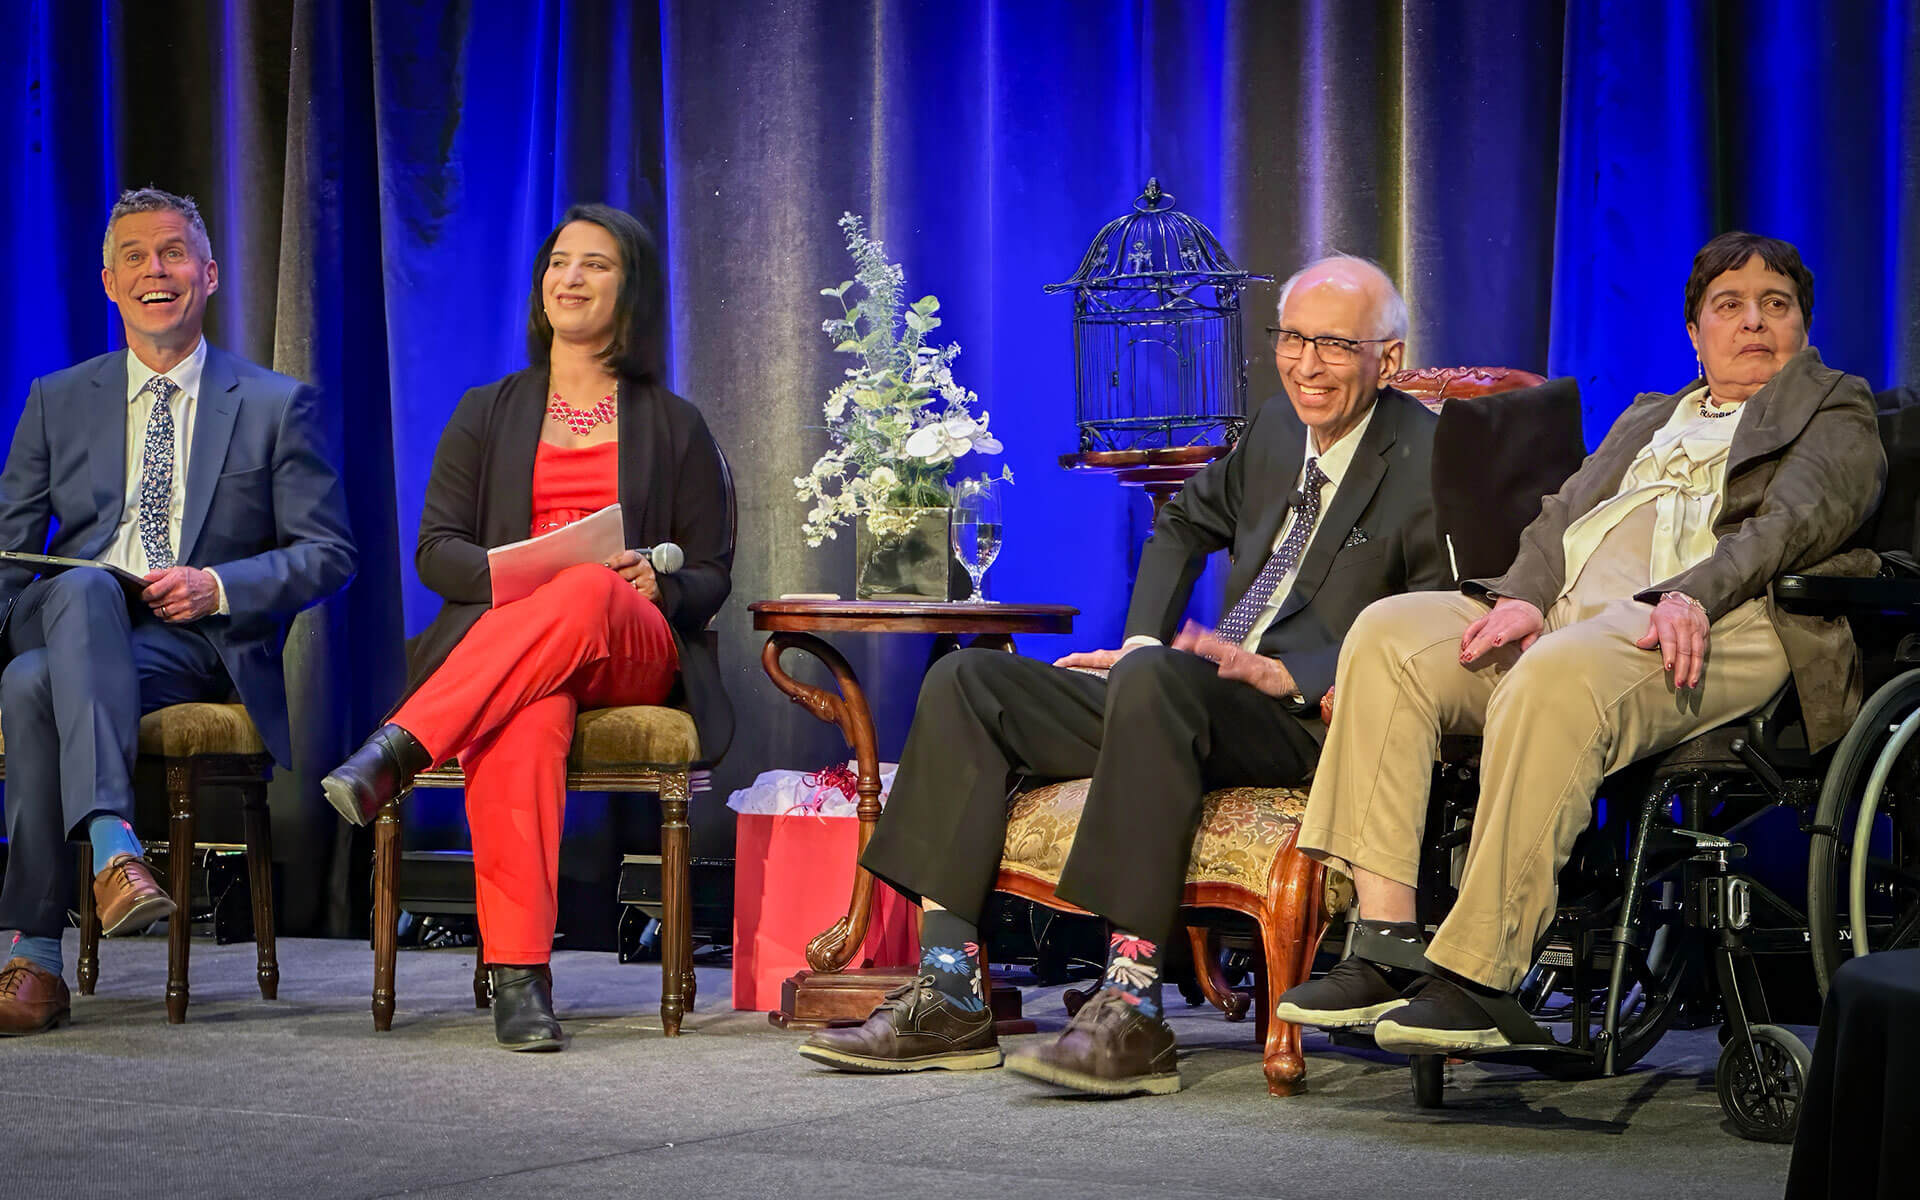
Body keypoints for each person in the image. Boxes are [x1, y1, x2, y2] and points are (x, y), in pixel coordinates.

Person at [799, 255, 1449, 1095]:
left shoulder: (1429, 456)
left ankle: (1133, 1008)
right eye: (1292, 338)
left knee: (1161, 683)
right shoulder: (1278, 430)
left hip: (1307, 718)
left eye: (1332, 343)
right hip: (1187, 697)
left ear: (1387, 359)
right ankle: (953, 992)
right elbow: (1182, 523)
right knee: (969, 683)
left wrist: (1287, 671)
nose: (1305, 364)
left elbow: (1441, 614)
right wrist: (1143, 641)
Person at [1278, 232, 1887, 1054]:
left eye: (1775, 306)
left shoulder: (1833, 406)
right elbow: (1560, 514)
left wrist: (1689, 594)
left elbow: (1792, 526)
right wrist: (1526, 597)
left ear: (1803, 329)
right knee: (1389, 633)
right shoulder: (1652, 416)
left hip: (1724, 622)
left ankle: (1480, 973)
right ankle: (1386, 941)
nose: (1753, 323)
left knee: (1558, 675)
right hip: (1577, 619)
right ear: (1694, 334)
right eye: (1728, 307)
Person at [321, 204, 733, 1052]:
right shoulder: (488, 411)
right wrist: (521, 572)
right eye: (558, 263)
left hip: (631, 644)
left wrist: (657, 580)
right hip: (518, 654)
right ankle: (520, 977)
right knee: (522, 718)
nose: (570, 278)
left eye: (595, 265)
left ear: (633, 289)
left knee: (586, 590)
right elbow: (438, 554)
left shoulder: (675, 422)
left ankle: (400, 747)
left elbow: (714, 572)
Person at [0, 188, 357, 1035]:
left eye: (171, 254)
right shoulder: (57, 398)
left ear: (209, 273)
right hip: (65, 608)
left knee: (31, 687)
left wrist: (218, 585)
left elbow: (328, 553)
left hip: (187, 642)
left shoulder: (275, 404)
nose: (154, 271)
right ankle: (116, 849)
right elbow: (10, 552)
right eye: (135, 256)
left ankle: (34, 957)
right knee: (82, 589)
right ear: (108, 282)